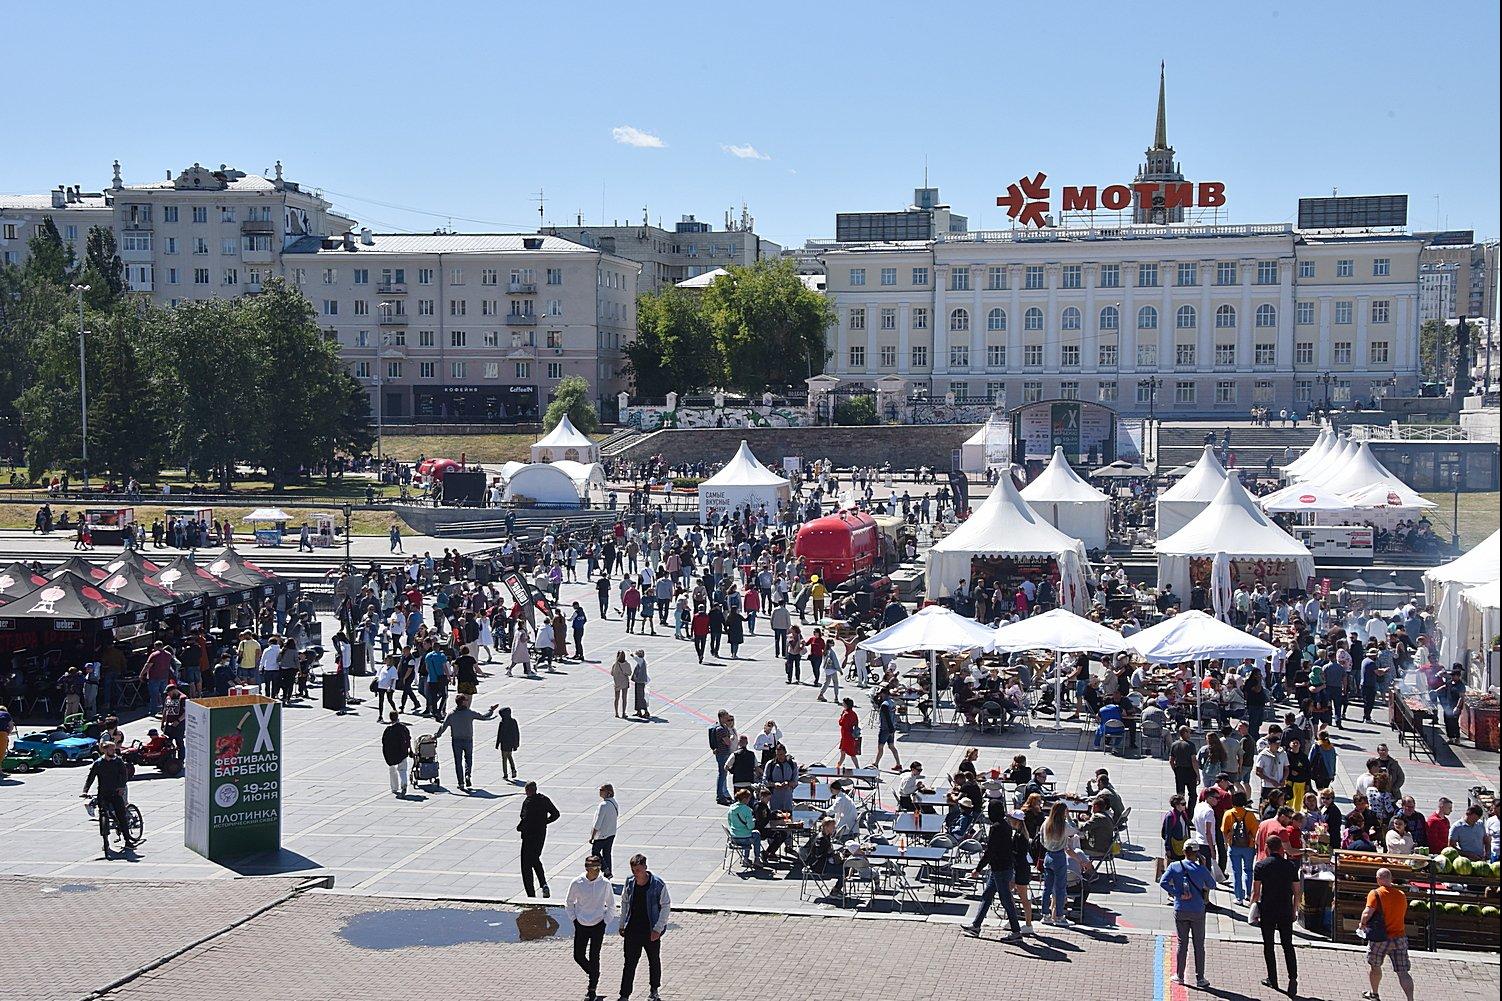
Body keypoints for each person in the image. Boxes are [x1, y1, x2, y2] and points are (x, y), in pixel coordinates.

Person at [962, 801, 1024, 940]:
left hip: (1000, 869)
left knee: (1006, 900)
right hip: (1002, 867)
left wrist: (978, 868)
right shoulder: (1006, 825)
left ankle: (1016, 931)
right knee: (987, 895)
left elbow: (990, 850)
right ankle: (976, 925)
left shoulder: (996, 827)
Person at [1159, 839, 1215, 989]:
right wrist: (1203, 867)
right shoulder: (1200, 869)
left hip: (1181, 909)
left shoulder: (1174, 866)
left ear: (1184, 852)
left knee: (1182, 943)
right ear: (1196, 854)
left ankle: (1180, 975)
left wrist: (1177, 894)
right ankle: (1200, 978)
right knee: (1199, 944)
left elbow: (1163, 882)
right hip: (1197, 910)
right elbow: (1212, 884)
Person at [1251, 832, 1301, 995]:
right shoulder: (1290, 867)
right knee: (1288, 945)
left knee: (1269, 945)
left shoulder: (1261, 866)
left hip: (1268, 910)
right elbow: (1296, 891)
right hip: (1285, 909)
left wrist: (1253, 909)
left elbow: (1256, 892)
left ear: (1267, 847)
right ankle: (1292, 977)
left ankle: (1272, 978)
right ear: (1281, 849)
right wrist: (1294, 910)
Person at [617, 853, 670, 1001]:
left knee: (654, 961)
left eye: (638, 870)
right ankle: (624, 995)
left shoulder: (657, 884)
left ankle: (654, 990)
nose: (636, 873)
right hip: (632, 930)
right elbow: (625, 903)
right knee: (629, 963)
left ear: (645, 867)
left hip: (650, 930)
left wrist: (658, 929)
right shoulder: (629, 882)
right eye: (634, 870)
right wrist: (622, 924)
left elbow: (665, 906)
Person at [1357, 867, 1414, 1001]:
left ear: (1378, 879)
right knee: (1403, 972)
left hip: (1380, 938)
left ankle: (1374, 994)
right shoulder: (1401, 894)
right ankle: (1410, 999)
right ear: (1391, 879)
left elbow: (1367, 912)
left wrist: (1362, 924)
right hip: (1399, 937)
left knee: (1375, 967)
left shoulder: (1375, 893)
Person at [564, 855, 613, 1001]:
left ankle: (592, 988)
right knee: (578, 955)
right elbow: (569, 902)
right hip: (581, 924)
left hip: (598, 924)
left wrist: (605, 922)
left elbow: (611, 905)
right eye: (594, 868)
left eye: (599, 867)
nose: (597, 871)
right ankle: (594, 974)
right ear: (587, 868)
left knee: (594, 955)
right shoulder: (577, 882)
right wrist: (574, 920)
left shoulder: (604, 883)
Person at [1038, 800, 1091, 926]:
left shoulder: (1046, 823)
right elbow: (1075, 832)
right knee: (1060, 888)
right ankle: (1059, 916)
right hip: (1059, 856)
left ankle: (1045, 914)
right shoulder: (1063, 825)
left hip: (1048, 855)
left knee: (1047, 888)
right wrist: (1068, 817)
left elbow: (1040, 839)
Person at [81, 741, 138, 855]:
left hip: (116, 793)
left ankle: (127, 840)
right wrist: (85, 790)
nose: (113, 751)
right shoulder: (98, 763)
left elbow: (124, 775)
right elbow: (91, 777)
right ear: (105, 750)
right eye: (111, 749)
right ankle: (105, 841)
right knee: (103, 817)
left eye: (114, 749)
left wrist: (121, 787)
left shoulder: (118, 761)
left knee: (121, 815)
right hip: (103, 794)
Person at [434, 694, 497, 791]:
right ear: (463, 702)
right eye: (466, 700)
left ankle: (461, 783)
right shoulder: (469, 713)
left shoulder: (451, 714)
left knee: (458, 762)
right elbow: (483, 717)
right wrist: (491, 710)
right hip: (468, 740)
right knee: (468, 759)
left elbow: (443, 727)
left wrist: (436, 735)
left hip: (456, 740)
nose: (468, 701)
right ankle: (468, 775)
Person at [517, 780, 561, 898]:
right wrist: (545, 822)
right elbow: (556, 814)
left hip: (528, 837)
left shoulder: (528, 802)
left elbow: (524, 817)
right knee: (535, 859)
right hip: (540, 835)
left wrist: (520, 827)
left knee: (526, 866)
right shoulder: (544, 799)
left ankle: (531, 894)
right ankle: (543, 884)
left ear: (527, 791)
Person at [1221, 790, 1259, 905]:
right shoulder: (1250, 815)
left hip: (1234, 846)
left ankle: (1238, 897)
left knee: (1236, 872)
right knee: (1248, 870)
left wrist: (1226, 843)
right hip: (1248, 846)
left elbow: (1224, 831)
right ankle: (1248, 894)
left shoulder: (1228, 814)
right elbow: (1255, 832)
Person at [726, 788, 765, 867]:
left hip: (734, 838)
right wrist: (753, 821)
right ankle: (757, 859)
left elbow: (729, 822)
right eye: (748, 798)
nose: (749, 800)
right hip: (744, 839)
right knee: (756, 834)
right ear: (744, 799)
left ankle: (745, 859)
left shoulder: (731, 808)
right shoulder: (747, 810)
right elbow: (750, 827)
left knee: (747, 834)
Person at [589, 784, 620, 879]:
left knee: (595, 852)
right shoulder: (614, 803)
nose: (600, 791)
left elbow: (598, 823)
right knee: (607, 853)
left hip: (602, 835)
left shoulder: (603, 805)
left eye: (602, 790)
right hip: (611, 832)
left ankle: (605, 869)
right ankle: (608, 873)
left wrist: (592, 836)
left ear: (608, 792)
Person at [381, 711, 413, 797]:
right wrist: (410, 749)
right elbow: (408, 739)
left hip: (391, 754)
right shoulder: (403, 728)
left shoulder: (388, 730)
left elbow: (384, 742)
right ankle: (404, 783)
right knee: (403, 770)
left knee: (392, 770)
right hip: (402, 752)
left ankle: (394, 787)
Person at [871, 690, 903, 772]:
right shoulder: (891, 702)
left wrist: (890, 728)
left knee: (880, 747)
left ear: (883, 694)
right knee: (891, 746)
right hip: (891, 727)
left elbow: (887, 717)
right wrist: (892, 728)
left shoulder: (885, 705)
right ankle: (898, 764)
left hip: (885, 728)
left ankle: (876, 763)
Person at [709, 710, 735, 805]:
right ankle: (720, 796)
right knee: (722, 775)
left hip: (723, 753)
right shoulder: (720, 729)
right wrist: (731, 737)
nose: (728, 719)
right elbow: (728, 742)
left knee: (722, 775)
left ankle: (721, 794)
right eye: (726, 717)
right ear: (721, 717)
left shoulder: (723, 727)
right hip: (722, 754)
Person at [495, 706, 521, 781]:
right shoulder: (513, 721)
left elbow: (499, 734)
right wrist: (516, 744)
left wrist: (497, 744)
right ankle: (513, 770)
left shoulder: (502, 722)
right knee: (509, 756)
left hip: (504, 743)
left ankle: (505, 774)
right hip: (510, 743)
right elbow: (516, 734)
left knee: (504, 759)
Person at [835, 697, 861, 768]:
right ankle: (838, 766)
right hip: (849, 735)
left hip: (846, 736)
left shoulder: (846, 714)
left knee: (850, 753)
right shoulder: (853, 713)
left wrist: (841, 716)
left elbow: (841, 723)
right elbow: (856, 722)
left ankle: (857, 767)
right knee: (843, 752)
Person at [630, 650, 651, 720]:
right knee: (638, 696)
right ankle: (638, 710)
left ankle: (646, 711)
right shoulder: (642, 661)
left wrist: (631, 653)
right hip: (639, 681)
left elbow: (634, 657)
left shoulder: (641, 660)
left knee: (640, 696)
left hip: (640, 681)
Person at [611, 651, 630, 719]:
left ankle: (616, 713)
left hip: (617, 683)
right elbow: (629, 673)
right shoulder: (627, 664)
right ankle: (623, 713)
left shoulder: (615, 665)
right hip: (624, 682)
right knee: (624, 698)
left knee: (617, 698)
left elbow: (612, 673)